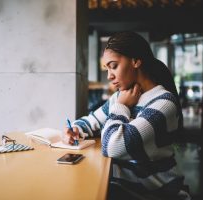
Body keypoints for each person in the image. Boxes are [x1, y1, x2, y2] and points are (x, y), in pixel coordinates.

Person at [63, 31, 191, 200]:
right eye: (107, 68)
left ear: (136, 60)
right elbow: (92, 120)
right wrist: (75, 129)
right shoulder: (121, 96)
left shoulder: (164, 102)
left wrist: (122, 106)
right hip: (124, 190)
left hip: (156, 194)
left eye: (113, 66)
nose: (109, 76)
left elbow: (113, 147)